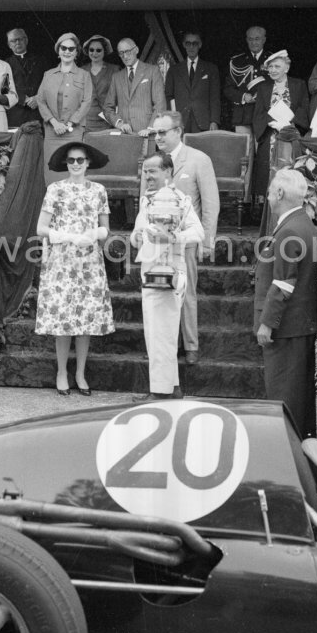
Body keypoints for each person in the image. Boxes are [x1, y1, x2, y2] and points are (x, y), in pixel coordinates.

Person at [35, 141, 114, 395]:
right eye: (71, 161)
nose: (76, 164)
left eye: (80, 160)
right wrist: (66, 235)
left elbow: (105, 228)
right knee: (64, 320)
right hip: (62, 261)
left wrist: (94, 233)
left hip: (89, 260)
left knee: (86, 319)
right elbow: (41, 228)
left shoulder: (99, 190)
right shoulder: (56, 189)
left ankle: (80, 373)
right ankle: (61, 371)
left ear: (88, 162)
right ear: (66, 164)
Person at [146, 111, 219, 364]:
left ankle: (190, 346)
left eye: (163, 132)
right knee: (160, 293)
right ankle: (168, 345)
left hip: (186, 241)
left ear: (178, 132)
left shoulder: (199, 160)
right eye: (156, 132)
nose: (158, 137)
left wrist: (207, 242)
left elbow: (211, 203)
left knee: (186, 293)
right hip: (157, 246)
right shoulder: (153, 162)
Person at [131, 153, 204, 402]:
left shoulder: (180, 200)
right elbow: (136, 233)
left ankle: (160, 392)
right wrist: (137, 238)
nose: (148, 176)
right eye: (145, 171)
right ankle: (171, 387)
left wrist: (174, 238)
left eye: (153, 171)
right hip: (150, 270)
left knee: (162, 332)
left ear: (168, 172)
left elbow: (197, 232)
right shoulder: (146, 201)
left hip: (170, 272)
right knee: (155, 331)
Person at [254, 168, 317, 440]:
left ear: (279, 193)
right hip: (298, 325)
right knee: (299, 396)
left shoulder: (289, 230)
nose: (268, 196)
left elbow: (283, 284)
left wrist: (267, 323)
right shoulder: (304, 224)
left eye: (270, 191)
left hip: (285, 326)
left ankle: (287, 450)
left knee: (284, 395)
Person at [252, 50, 309, 200]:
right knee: (268, 175)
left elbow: (304, 109)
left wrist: (288, 123)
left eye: (277, 66)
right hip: (270, 135)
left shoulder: (299, 85)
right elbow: (258, 114)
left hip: (291, 135)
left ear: (286, 68)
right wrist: (272, 121)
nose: (273, 70)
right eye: (270, 67)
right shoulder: (263, 87)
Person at [37, 33, 92, 182]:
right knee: (52, 172)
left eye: (71, 49)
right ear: (58, 50)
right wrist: (54, 123)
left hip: (73, 132)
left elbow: (87, 102)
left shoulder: (84, 75)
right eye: (64, 48)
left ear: (76, 52)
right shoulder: (48, 75)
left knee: (74, 172)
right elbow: (40, 101)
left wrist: (70, 123)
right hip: (52, 132)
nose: (67, 51)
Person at [103, 38, 165, 135]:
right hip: (124, 135)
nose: (125, 56)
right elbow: (107, 107)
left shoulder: (153, 71)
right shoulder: (116, 77)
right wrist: (119, 123)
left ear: (136, 50)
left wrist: (151, 128)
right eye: (121, 53)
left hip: (147, 133)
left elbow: (160, 104)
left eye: (128, 51)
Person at [164, 31, 220, 133]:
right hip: (180, 123)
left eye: (195, 43)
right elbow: (169, 97)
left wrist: (214, 121)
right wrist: (173, 120)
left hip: (204, 123)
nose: (191, 47)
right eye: (188, 43)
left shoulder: (211, 69)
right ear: (184, 45)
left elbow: (215, 98)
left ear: (200, 45)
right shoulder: (174, 70)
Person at [224, 26, 271, 136]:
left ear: (264, 40)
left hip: (266, 115)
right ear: (246, 40)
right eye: (250, 39)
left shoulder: (272, 59)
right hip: (243, 116)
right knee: (244, 151)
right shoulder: (237, 61)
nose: (254, 42)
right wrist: (243, 96)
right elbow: (228, 89)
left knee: (264, 152)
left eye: (257, 39)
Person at [5, 27, 48, 128]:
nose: (17, 42)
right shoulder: (5, 64)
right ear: (9, 45)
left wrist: (38, 98)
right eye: (13, 40)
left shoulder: (41, 61)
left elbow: (49, 83)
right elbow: (4, 89)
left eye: (20, 39)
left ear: (26, 40)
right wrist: (22, 99)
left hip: (38, 112)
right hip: (16, 114)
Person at [82, 34, 120, 134]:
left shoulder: (114, 70)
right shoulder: (81, 70)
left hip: (107, 121)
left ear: (105, 51)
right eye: (91, 50)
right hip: (87, 122)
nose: (94, 53)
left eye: (98, 50)